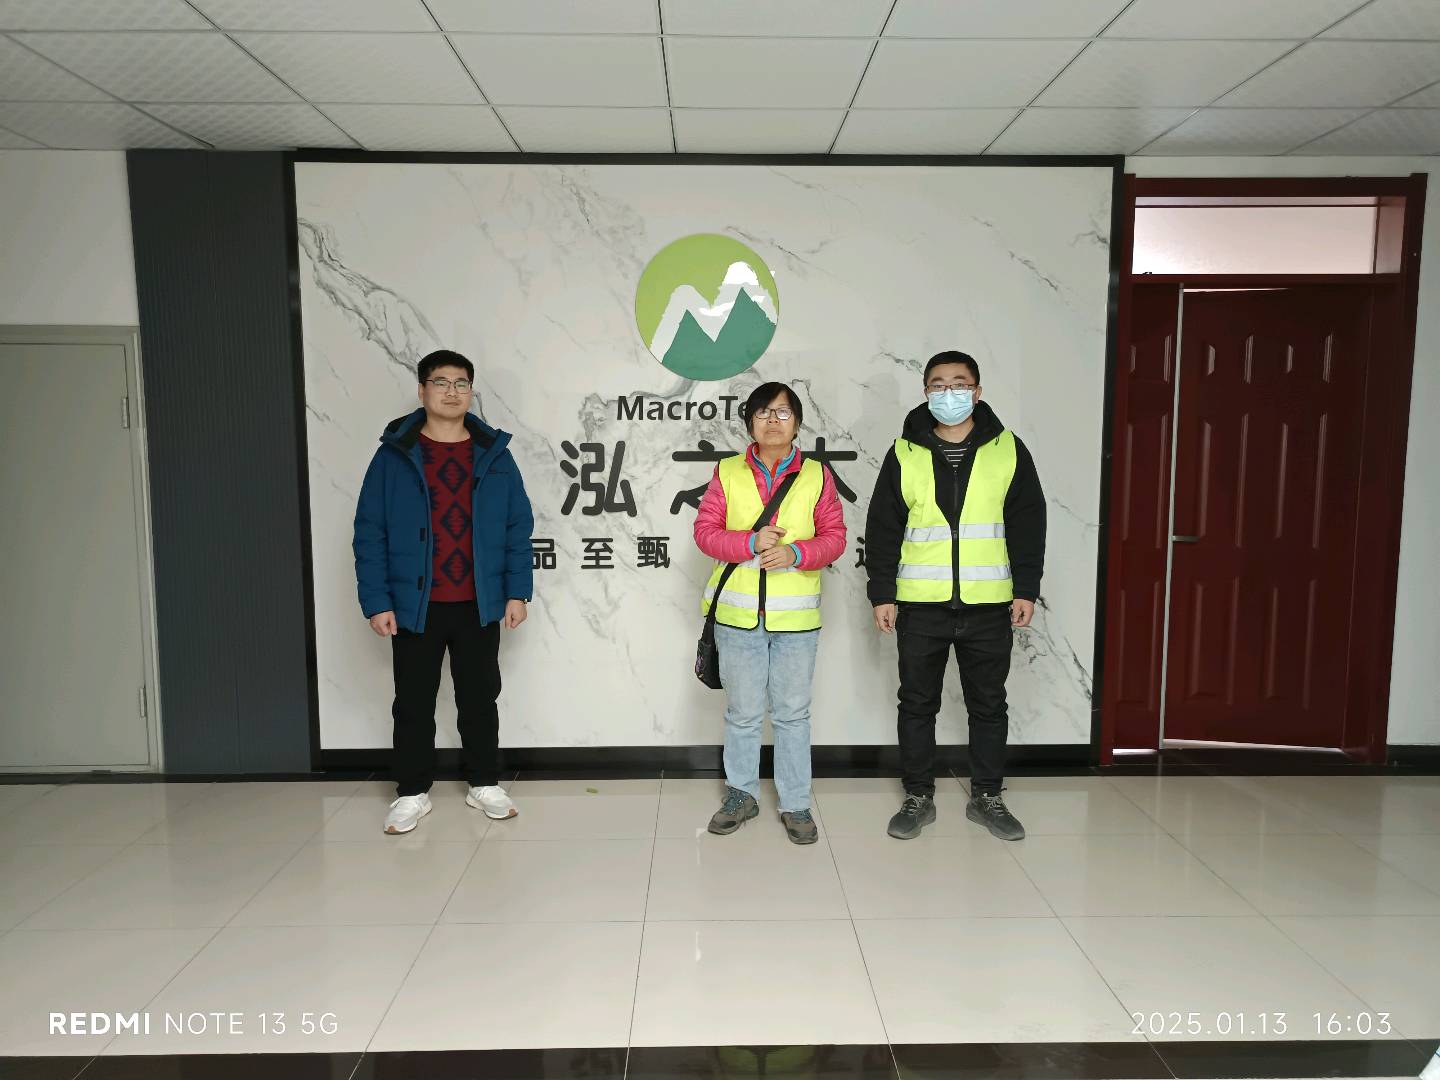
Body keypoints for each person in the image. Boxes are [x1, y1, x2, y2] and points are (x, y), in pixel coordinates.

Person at [866, 350, 1046, 841]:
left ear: (978, 392)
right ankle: (917, 796)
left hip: (988, 603)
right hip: (920, 604)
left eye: (959, 384)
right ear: (926, 393)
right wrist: (882, 593)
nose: (950, 393)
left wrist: (1026, 588)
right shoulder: (904, 452)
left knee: (988, 705)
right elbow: (883, 527)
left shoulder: (1008, 450)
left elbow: (1028, 523)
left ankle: (988, 796)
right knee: (916, 704)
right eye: (939, 385)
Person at [353, 349, 535, 835]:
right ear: (422, 390)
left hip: (479, 601)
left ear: (471, 392)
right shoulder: (394, 455)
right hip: (414, 605)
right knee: (413, 702)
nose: (452, 392)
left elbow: (518, 526)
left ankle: (485, 783)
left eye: (461, 383)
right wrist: (377, 601)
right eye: (441, 382)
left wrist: (517, 591)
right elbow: (369, 531)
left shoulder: (494, 454)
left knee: (480, 698)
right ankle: (412, 792)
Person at [693, 382, 847, 844]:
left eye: (782, 412)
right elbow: (705, 532)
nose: (772, 420)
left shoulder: (817, 475)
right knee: (742, 714)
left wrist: (796, 553)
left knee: (792, 715)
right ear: (749, 422)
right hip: (738, 618)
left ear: (797, 422)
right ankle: (740, 795)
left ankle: (795, 802)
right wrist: (749, 542)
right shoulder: (727, 471)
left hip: (796, 621)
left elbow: (835, 537)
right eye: (762, 412)